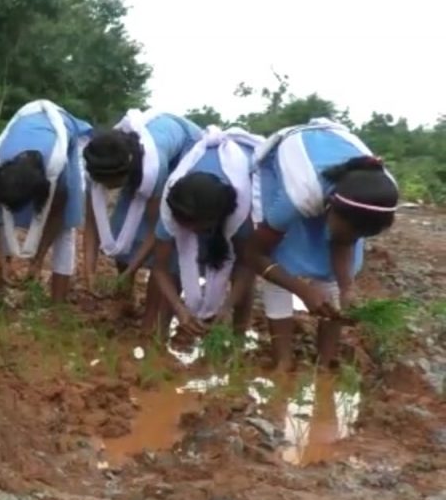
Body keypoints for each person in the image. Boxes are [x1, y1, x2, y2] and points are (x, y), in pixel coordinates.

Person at [247, 119, 398, 369]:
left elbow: (343, 241)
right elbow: (254, 254)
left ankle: (326, 362)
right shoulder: (297, 195)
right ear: (330, 208)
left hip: (335, 176)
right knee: (281, 257)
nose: (350, 239)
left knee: (331, 274)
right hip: (289, 158)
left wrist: (347, 288)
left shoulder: (380, 194)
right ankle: (282, 362)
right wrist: (302, 290)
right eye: (348, 232)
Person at [83, 110, 202, 317]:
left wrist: (131, 269)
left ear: (126, 173)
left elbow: (155, 230)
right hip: (137, 157)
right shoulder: (98, 162)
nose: (108, 188)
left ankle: (154, 310)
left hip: (185, 148)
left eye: (113, 184)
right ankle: (125, 297)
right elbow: (92, 224)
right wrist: (89, 273)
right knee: (121, 227)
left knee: (169, 235)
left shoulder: (154, 168)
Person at [150, 126, 263, 337]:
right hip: (202, 204)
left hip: (236, 187)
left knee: (238, 264)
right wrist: (180, 309)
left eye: (196, 227)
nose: (190, 231)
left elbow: (248, 265)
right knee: (177, 262)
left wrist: (227, 306)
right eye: (184, 225)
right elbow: (160, 267)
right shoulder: (173, 205)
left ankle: (238, 338)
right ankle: (160, 335)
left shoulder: (240, 212)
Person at [0, 100, 93, 302]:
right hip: (27, 120)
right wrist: (1, 259)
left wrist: (38, 260)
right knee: (2, 220)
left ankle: (57, 303)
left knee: (66, 227)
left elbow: (57, 216)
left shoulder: (57, 168)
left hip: (62, 133)